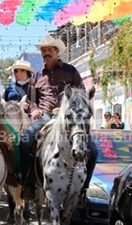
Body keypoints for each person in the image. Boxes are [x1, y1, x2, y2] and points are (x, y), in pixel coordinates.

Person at [19, 35, 98, 200]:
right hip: (45, 116)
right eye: (43, 50)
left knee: (94, 149)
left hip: (69, 118)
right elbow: (31, 100)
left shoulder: (71, 71)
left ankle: (83, 189)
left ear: (56, 52)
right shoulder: (36, 76)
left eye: (49, 50)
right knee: (25, 140)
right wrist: (33, 110)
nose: (46, 53)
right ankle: (28, 183)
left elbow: (82, 95)